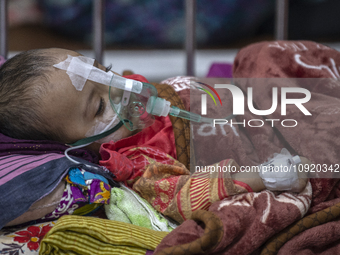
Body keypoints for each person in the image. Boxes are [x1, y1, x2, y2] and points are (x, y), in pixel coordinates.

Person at [0, 48, 309, 225]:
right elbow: (186, 195)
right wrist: (265, 177)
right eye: (98, 106)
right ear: (72, 147)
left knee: (264, 56)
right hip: (251, 133)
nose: (121, 87)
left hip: (244, 98)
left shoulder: (131, 92)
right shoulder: (135, 162)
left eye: (104, 70)